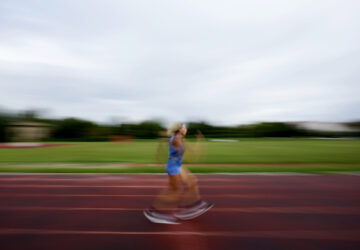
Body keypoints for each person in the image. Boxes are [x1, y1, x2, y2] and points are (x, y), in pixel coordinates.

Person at [144, 122, 213, 224]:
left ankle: (192, 206)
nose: (186, 130)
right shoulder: (175, 140)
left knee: (192, 181)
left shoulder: (180, 139)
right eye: (184, 128)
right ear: (179, 129)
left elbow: (191, 153)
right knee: (174, 190)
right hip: (173, 167)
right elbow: (187, 156)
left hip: (178, 166)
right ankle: (154, 211)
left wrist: (199, 141)